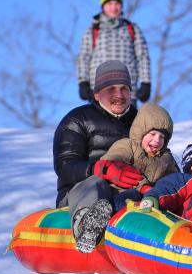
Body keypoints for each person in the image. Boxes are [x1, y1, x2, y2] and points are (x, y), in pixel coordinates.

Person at [54, 60, 145, 253]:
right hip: (80, 193)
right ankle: (86, 227)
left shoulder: (142, 123)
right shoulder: (78, 120)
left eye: (124, 88)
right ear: (97, 94)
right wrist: (99, 169)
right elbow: (64, 166)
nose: (119, 95)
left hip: (127, 193)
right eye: (111, 88)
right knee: (97, 183)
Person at [77, 0, 151, 105]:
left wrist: (146, 83)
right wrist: (83, 82)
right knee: (98, 123)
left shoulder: (132, 28)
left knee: (127, 123)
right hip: (99, 90)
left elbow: (143, 57)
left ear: (121, 6)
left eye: (117, 3)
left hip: (126, 90)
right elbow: (84, 58)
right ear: (103, 7)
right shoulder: (93, 30)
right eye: (110, 3)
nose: (114, 7)